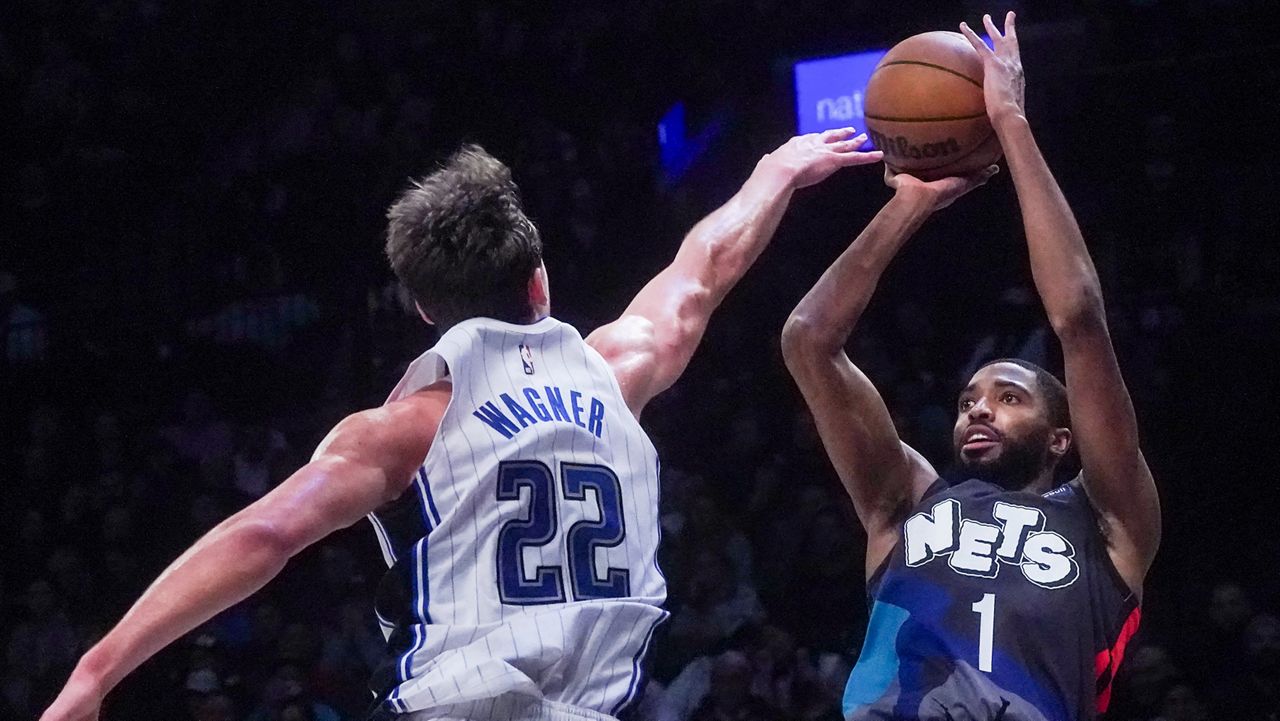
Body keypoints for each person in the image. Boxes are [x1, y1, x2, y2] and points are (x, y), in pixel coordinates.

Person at [40, 130, 883, 721]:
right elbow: (701, 273)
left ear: (421, 309)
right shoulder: (614, 370)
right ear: (541, 284)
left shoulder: (405, 428)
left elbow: (263, 535)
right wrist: (776, 171)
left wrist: (97, 668)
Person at [780, 12, 1160, 720]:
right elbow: (808, 339)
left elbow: (1078, 317)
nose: (978, 407)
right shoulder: (908, 502)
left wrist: (1010, 123)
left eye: (1009, 396)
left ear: (1061, 438)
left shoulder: (1108, 518)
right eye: (968, 400)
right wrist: (911, 205)